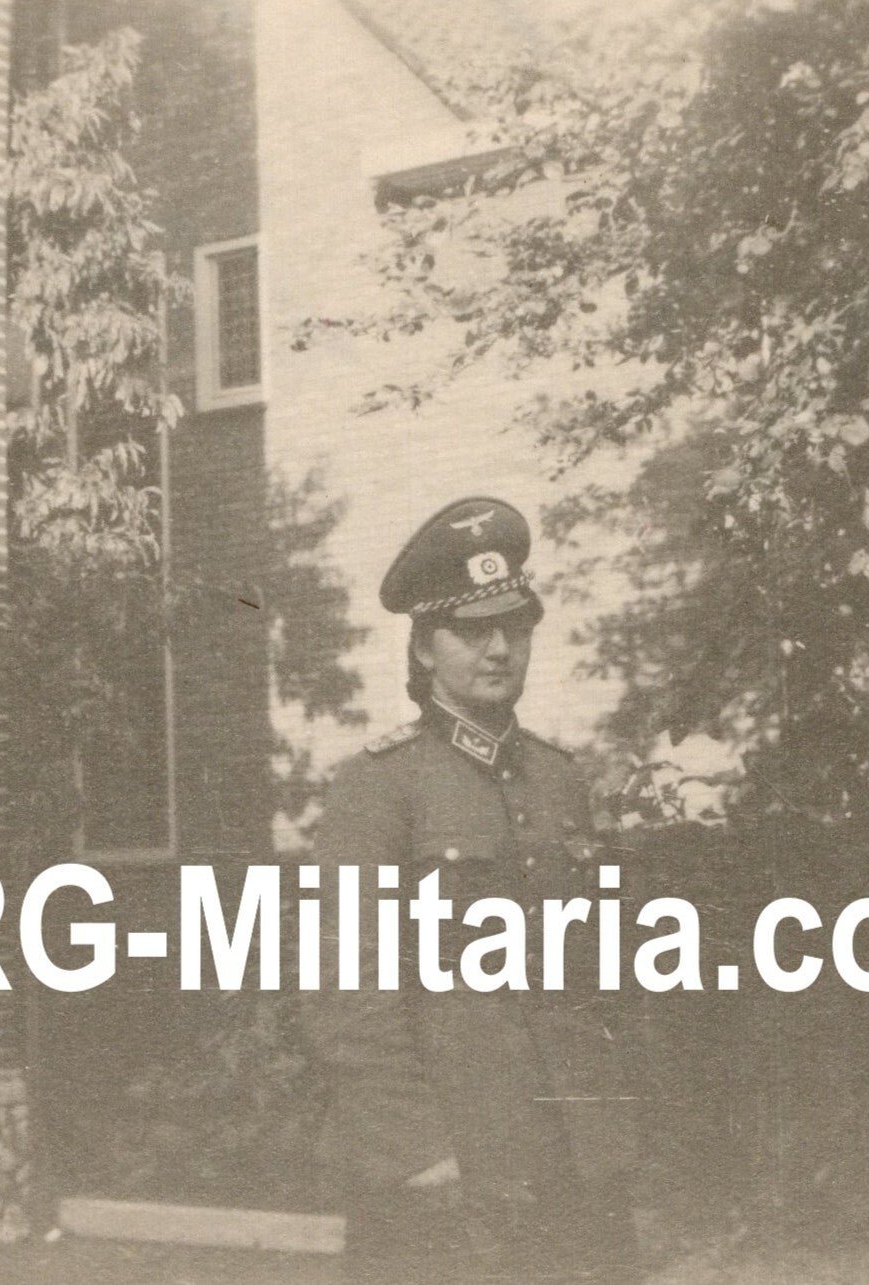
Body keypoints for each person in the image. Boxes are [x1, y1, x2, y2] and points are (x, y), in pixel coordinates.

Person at [301, 497, 637, 1283]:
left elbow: (595, 980)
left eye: (514, 627)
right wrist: (416, 1148)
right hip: (448, 1169)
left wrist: (611, 1131)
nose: (498, 648)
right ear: (423, 648)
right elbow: (348, 987)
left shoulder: (560, 780)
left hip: (574, 1162)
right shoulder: (379, 788)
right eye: (471, 629)